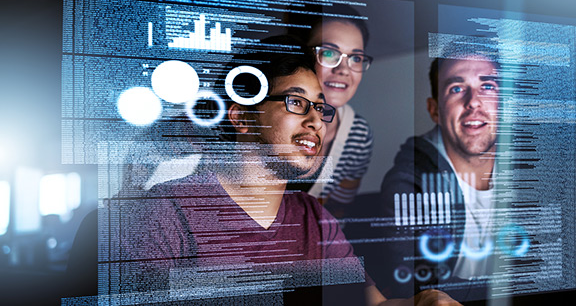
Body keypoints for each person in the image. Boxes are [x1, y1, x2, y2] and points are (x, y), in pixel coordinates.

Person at [108, 36, 459, 306]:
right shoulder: (162, 215)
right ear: (243, 117)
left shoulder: (313, 217)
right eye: (296, 101)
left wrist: (421, 301)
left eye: (321, 109)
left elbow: (370, 303)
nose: (315, 121)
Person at [379, 39, 502, 301]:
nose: (474, 102)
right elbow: (414, 288)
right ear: (434, 110)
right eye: (457, 88)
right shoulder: (407, 184)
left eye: (487, 86)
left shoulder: (534, 170)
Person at [288, 5, 374, 218]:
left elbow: (338, 211)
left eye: (355, 58)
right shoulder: (265, 118)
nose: (343, 69)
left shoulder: (358, 134)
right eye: (328, 53)